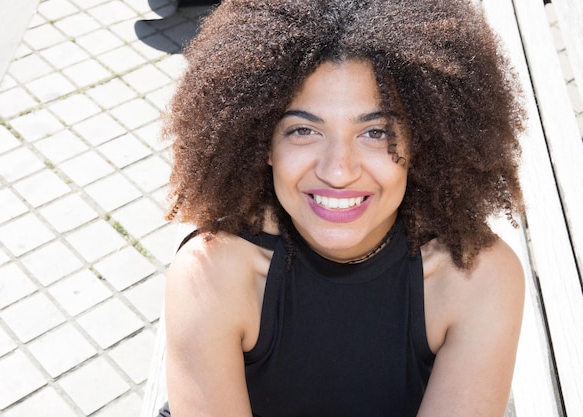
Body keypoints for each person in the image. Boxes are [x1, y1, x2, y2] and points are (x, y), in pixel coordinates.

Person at [159, 0, 526, 416]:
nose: (338, 171)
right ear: (263, 143)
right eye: (303, 130)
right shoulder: (213, 276)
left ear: (421, 139)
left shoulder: (477, 279)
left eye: (374, 132)